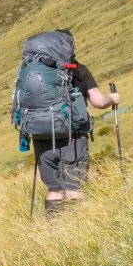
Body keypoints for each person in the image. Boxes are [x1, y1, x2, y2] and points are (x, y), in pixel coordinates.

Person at [32, 30, 121, 213]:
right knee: (74, 188)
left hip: (41, 137)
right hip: (73, 137)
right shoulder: (77, 69)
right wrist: (113, 98)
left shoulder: (34, 72)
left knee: (55, 190)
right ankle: (75, 232)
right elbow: (98, 102)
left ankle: (52, 233)